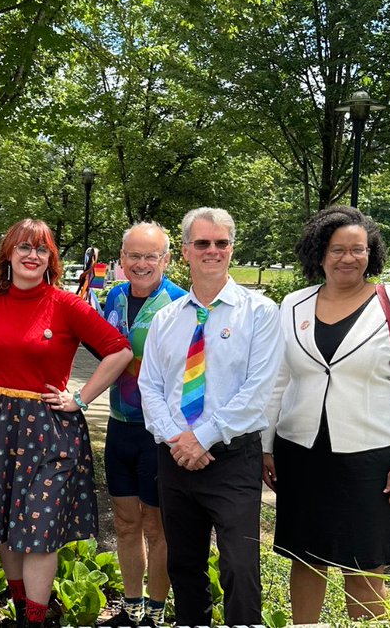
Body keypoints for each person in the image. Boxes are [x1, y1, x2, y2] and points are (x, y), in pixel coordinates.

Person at [0, 218, 132, 628]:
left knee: (39, 530)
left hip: (50, 431)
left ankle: (36, 622)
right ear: (8, 254)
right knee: (5, 526)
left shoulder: (65, 304)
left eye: (42, 249)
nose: (32, 255)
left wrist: (80, 399)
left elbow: (119, 351)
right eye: (24, 247)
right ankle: (23, 613)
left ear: (51, 259)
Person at [263, 206, 390, 622]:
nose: (348, 258)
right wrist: (265, 446)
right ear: (320, 253)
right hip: (300, 451)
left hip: (368, 456)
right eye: (337, 249)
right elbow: (278, 381)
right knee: (305, 558)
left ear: (371, 253)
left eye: (358, 249)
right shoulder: (294, 304)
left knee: (363, 564)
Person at [139, 207, 283, 626]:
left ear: (232, 249)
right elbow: (150, 387)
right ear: (185, 251)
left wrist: (201, 438)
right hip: (175, 458)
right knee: (184, 565)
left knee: (240, 564)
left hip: (232, 459)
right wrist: (177, 439)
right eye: (202, 243)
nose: (212, 251)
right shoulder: (166, 319)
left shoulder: (259, 313)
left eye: (221, 243)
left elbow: (257, 392)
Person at [98, 223, 186, 627]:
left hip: (160, 433)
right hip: (119, 426)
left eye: (151, 256)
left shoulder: (180, 303)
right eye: (134, 255)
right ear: (122, 259)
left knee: (156, 525)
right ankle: (131, 609)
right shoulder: (113, 297)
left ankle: (156, 611)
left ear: (166, 260)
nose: (142, 263)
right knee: (124, 522)